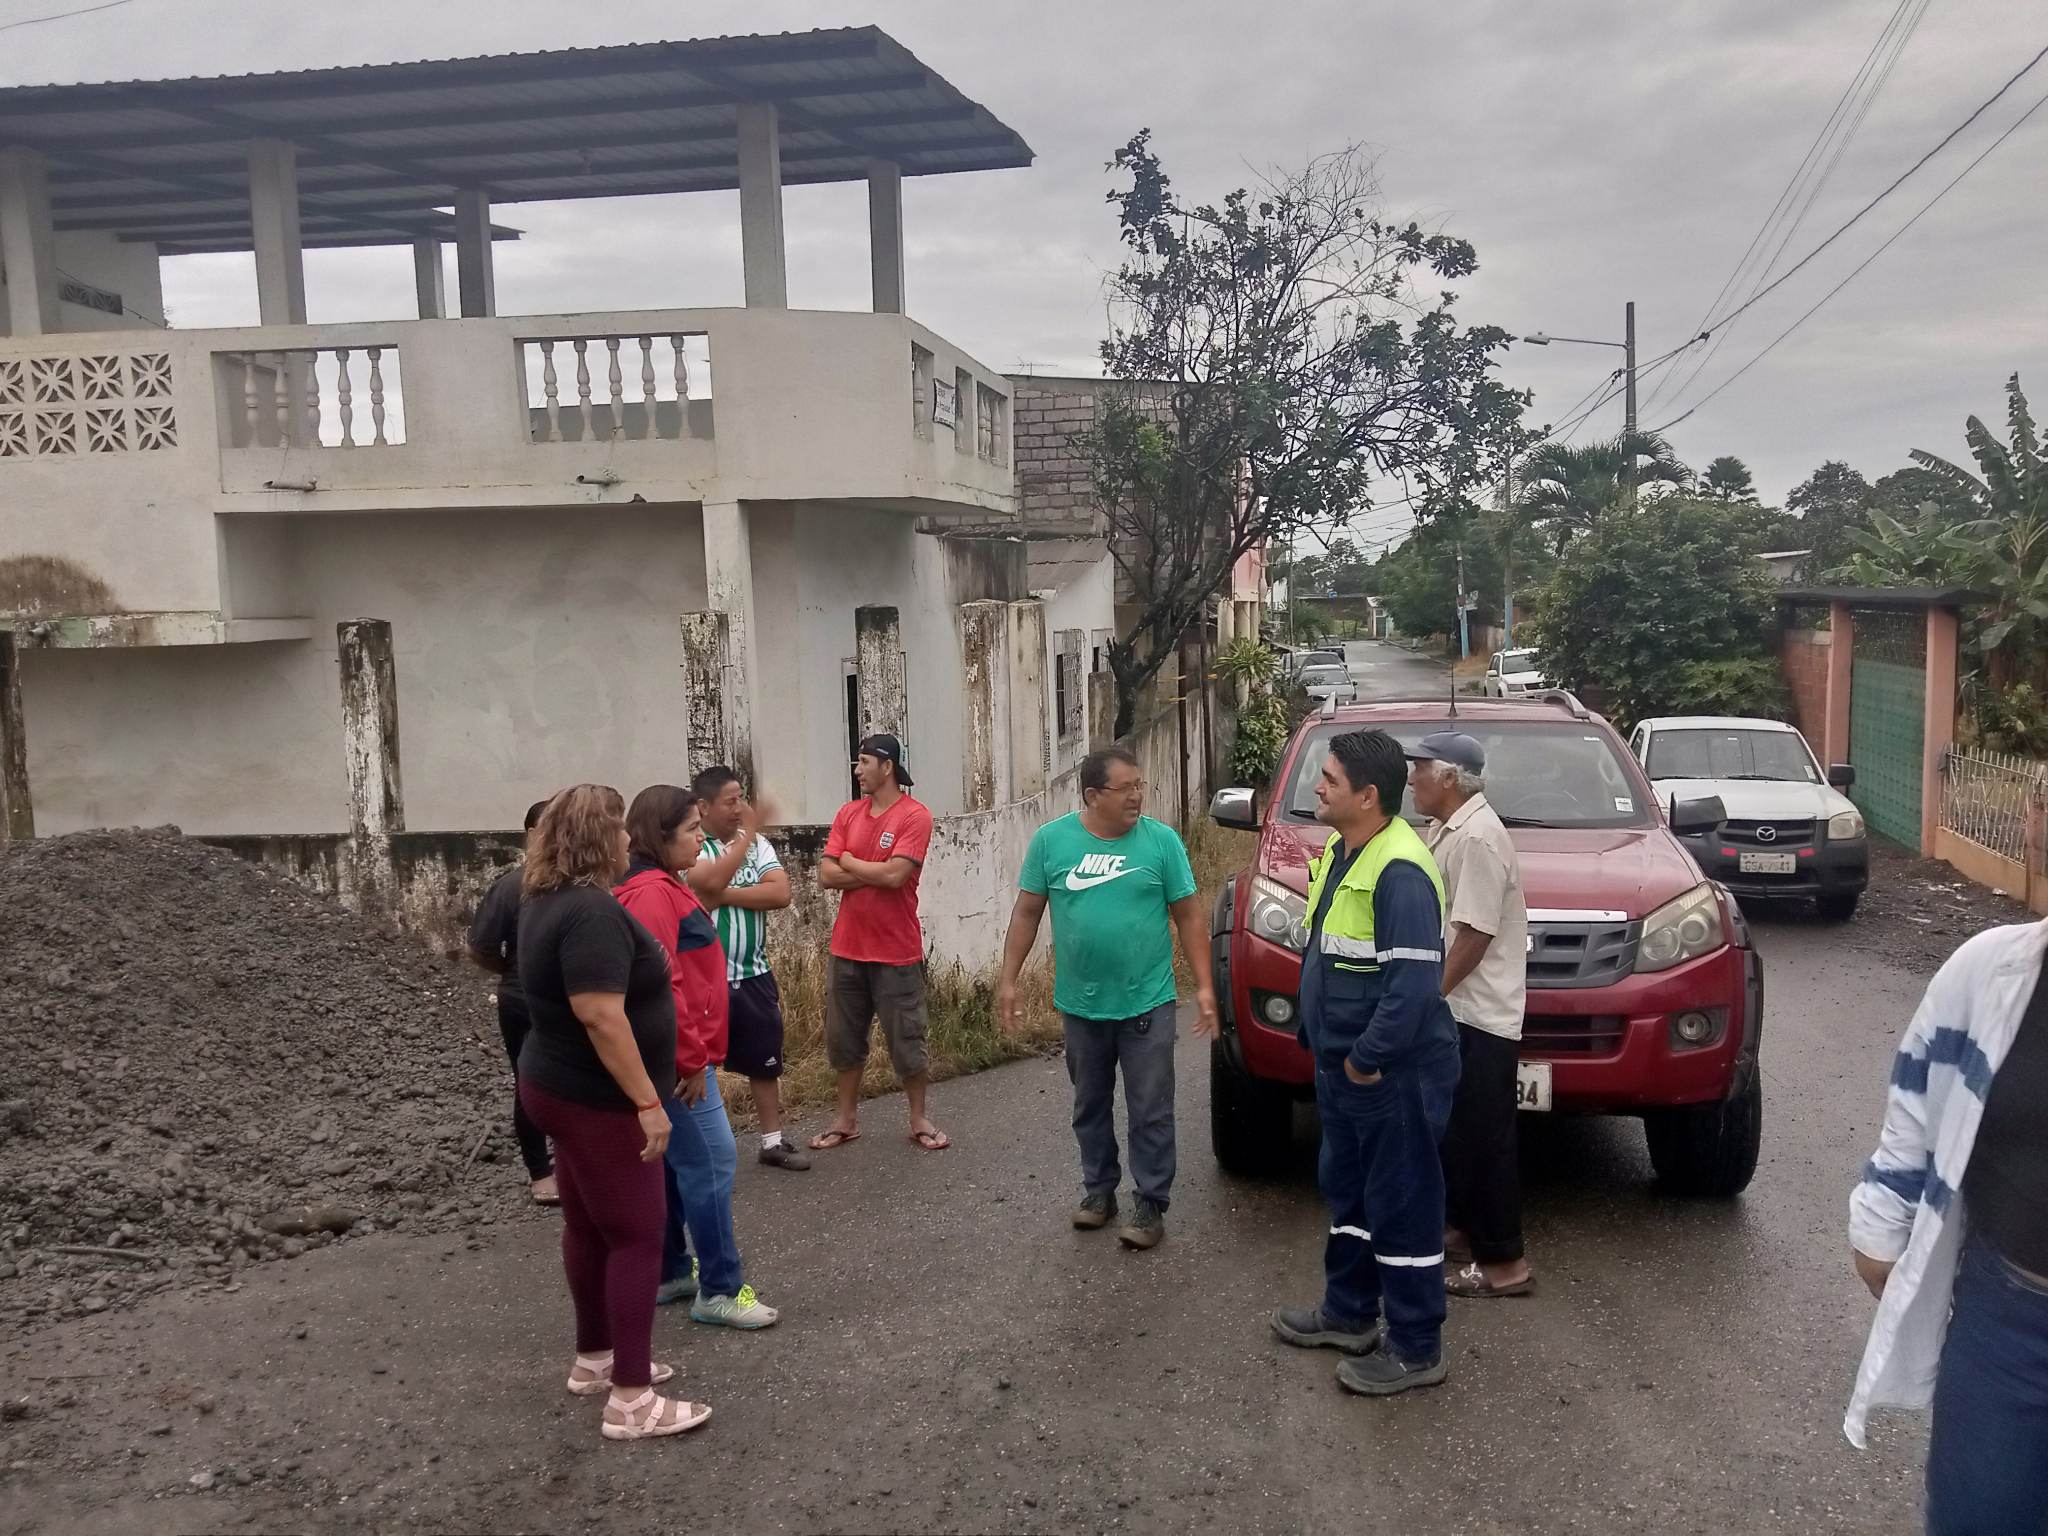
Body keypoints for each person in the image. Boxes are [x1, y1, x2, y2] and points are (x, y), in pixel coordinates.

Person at [515, 784, 710, 1441]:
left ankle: (596, 1358)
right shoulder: (590, 912)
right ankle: (631, 1400)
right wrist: (648, 1103)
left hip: (556, 1087)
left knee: (589, 1226)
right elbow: (600, 1014)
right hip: (597, 1100)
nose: (630, 839)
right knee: (637, 1235)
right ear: (599, 839)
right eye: (620, 829)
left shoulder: (543, 899)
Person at [1271, 729, 1460, 1397]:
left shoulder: (1400, 872)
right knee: (1350, 1193)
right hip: (1344, 1065)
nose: (1317, 787)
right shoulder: (1343, 851)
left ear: (1368, 795)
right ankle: (1348, 1313)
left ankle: (1416, 1346)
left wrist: (1365, 1060)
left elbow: (1412, 990)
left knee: (1402, 1202)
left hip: (1390, 1073)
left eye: (1329, 779)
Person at [1846, 919, 2048, 1534]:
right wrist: (1883, 1217)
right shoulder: (1990, 970)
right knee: (1979, 1517)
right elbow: (1919, 1093)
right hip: (2010, 1327)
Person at [996, 745, 1219, 1249]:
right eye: (1126, 788)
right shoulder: (1052, 842)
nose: (1138, 795)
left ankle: (1150, 1202)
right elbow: (1028, 912)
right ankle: (1099, 1192)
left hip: (1148, 1002)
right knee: (1089, 1105)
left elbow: (1189, 916)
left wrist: (1205, 986)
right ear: (1093, 795)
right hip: (1081, 1004)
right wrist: (1009, 979)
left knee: (1151, 1108)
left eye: (1141, 785)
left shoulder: (1161, 843)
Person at [615, 784, 779, 1331]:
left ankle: (671, 1271)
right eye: (690, 830)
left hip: (672, 1055)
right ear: (660, 837)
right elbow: (662, 985)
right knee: (712, 1161)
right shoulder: (652, 895)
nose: (699, 838)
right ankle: (721, 1288)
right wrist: (691, 1060)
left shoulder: (661, 885)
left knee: (678, 1162)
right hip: (677, 1060)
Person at [1407, 733, 1534, 1300]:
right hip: (1463, 1011)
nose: (1411, 778)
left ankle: (1504, 1264)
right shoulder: (1450, 829)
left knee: (1486, 1140)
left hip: (1479, 1015)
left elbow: (1475, 935)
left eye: (1419, 769)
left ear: (1449, 778)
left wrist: (1429, 998)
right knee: (1458, 1134)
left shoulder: (1478, 837)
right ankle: (1461, 1233)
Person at [810, 734, 947, 1153]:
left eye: (864, 762)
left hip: (896, 951)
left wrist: (850, 862)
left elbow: (896, 877)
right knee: (844, 1041)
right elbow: (826, 876)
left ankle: (919, 1118)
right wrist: (872, 869)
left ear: (887, 767)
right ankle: (846, 1119)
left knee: (908, 1040)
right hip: (846, 948)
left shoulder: (915, 816)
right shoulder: (848, 813)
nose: (858, 771)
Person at [687, 765, 808, 1171]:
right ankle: (702, 1148)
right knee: (697, 1065)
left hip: (753, 973)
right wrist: (726, 889)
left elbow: (780, 893)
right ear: (704, 806)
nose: (740, 808)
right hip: (705, 983)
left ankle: (772, 1141)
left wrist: (723, 893)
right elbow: (701, 885)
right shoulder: (691, 845)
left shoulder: (756, 844)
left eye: (742, 798)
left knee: (764, 1062)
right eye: (731, 801)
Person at [466, 798, 557, 1205]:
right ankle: (540, 1172)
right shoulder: (512, 887)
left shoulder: (581, 885)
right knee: (529, 1082)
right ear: (533, 835)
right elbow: (481, 947)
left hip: (574, 1001)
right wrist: (515, 970)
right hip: (524, 1002)